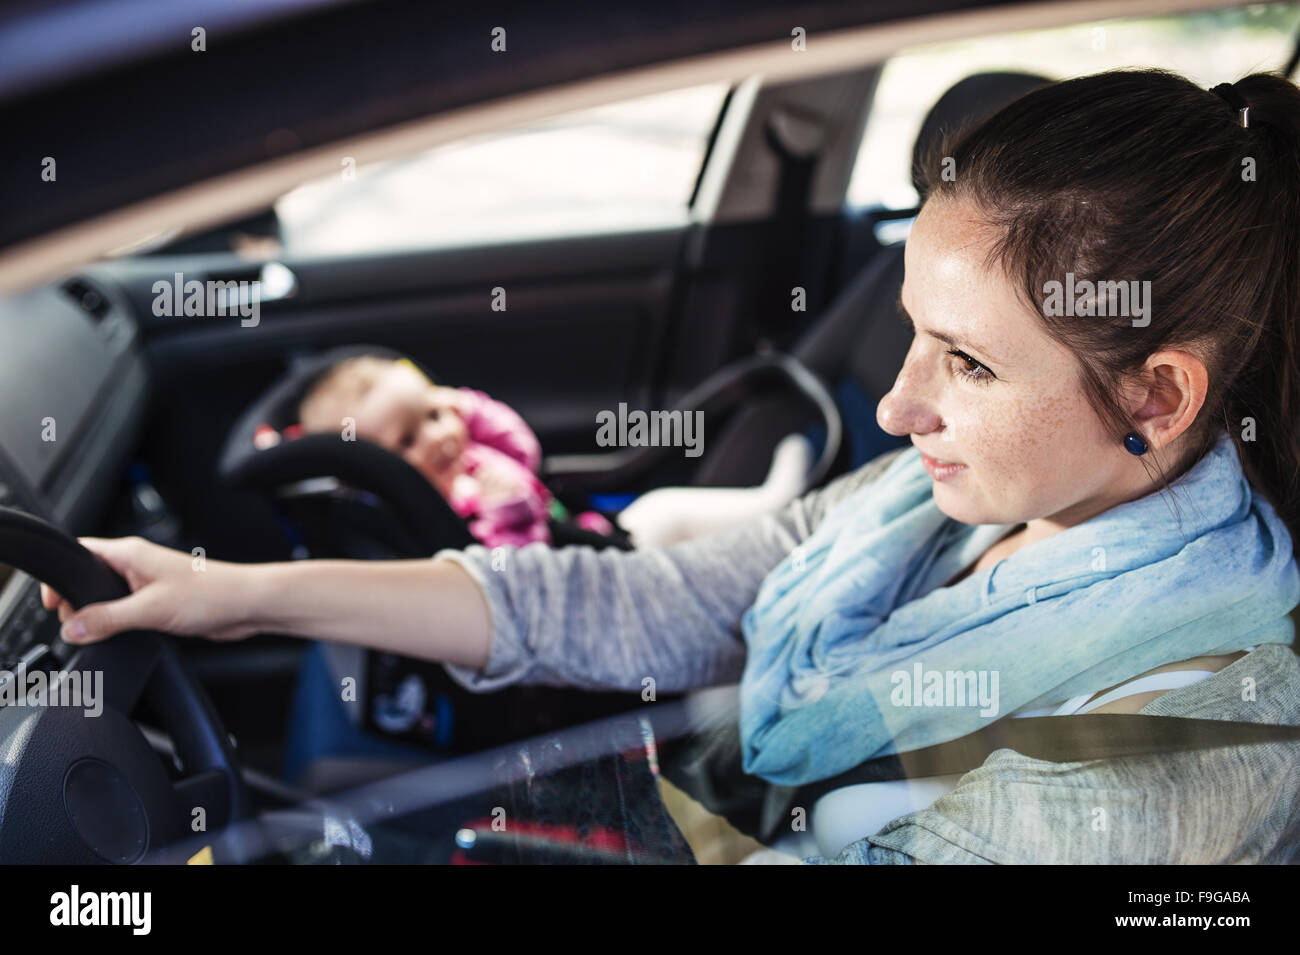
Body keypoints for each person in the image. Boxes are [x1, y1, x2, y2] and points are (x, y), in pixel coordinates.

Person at [43, 69, 1300, 863]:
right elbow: (654, 605)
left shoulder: (1168, 755)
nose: (900, 402)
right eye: (913, 333)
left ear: (1155, 394)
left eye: (967, 363)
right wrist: (222, 590)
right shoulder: (950, 506)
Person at [296, 354, 614, 547]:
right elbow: (509, 583)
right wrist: (506, 518)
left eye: (434, 414)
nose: (436, 437)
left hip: (577, 526)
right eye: (407, 440)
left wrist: (469, 408)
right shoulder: (443, 514)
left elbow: (523, 451)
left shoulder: (471, 458)